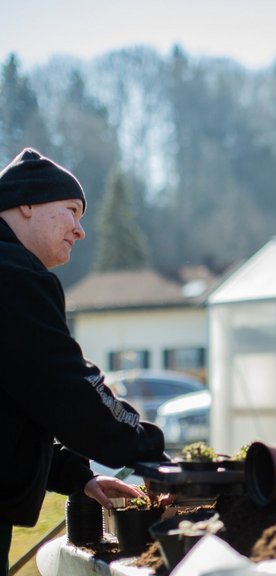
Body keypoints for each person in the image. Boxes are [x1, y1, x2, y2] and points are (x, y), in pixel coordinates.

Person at [0, 148, 167, 574]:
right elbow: (65, 385)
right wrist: (148, 449)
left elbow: (20, 401)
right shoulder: (15, 275)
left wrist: (79, 477)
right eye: (72, 211)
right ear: (27, 204)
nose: (80, 230)